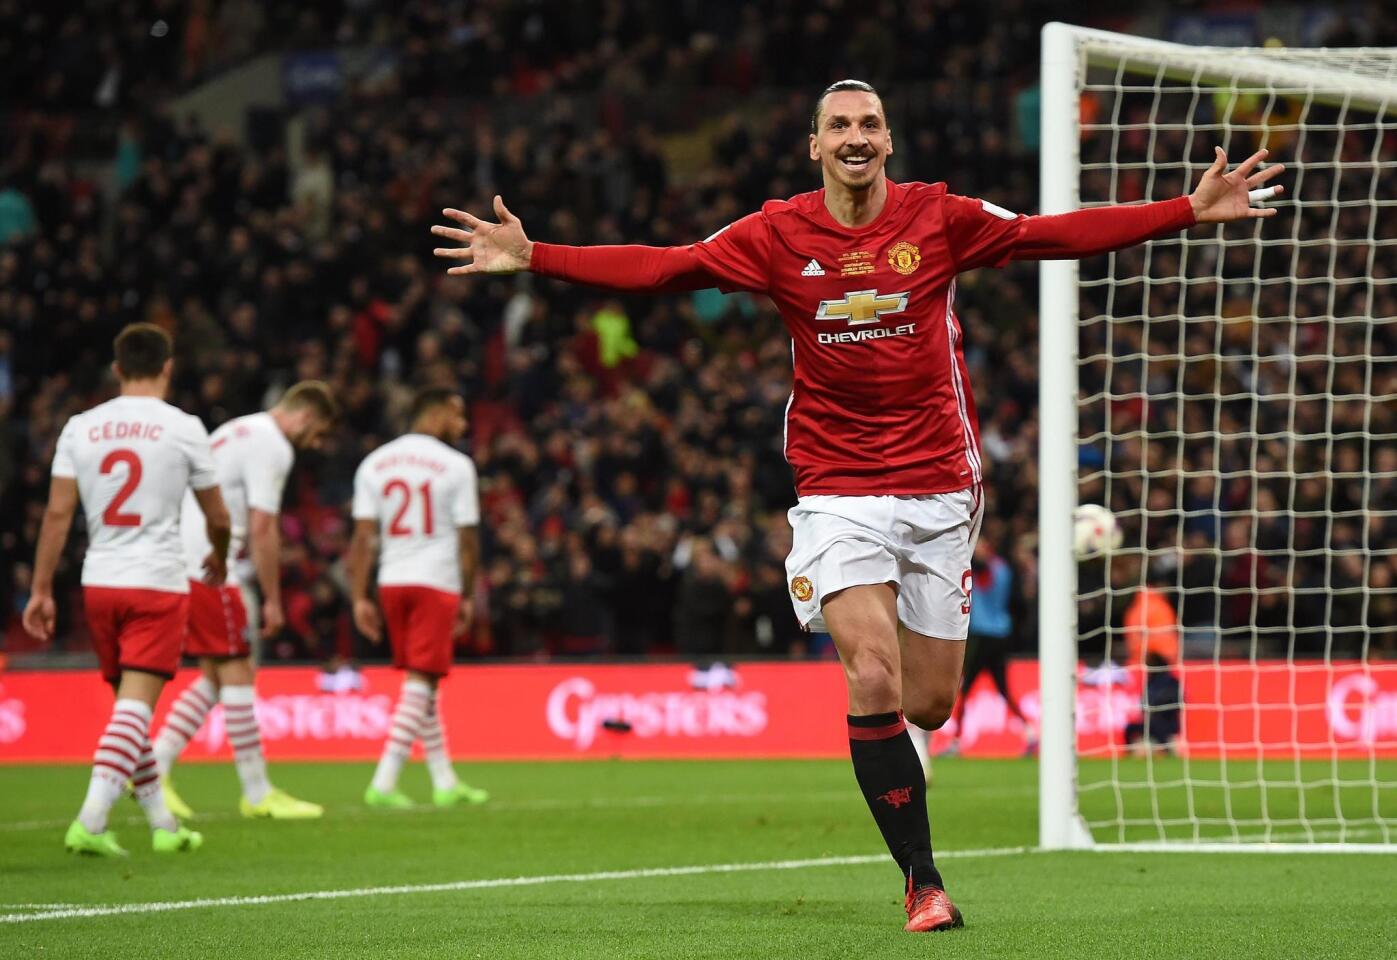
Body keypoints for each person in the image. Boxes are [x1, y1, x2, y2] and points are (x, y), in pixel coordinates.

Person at [430, 79, 1284, 932]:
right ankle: (922, 881)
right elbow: (668, 265)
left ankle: (907, 765)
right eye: (838, 124)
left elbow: (1046, 236)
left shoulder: (937, 217)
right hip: (834, 487)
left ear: (887, 140)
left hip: (942, 486)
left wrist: (1183, 210)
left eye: (869, 122)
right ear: (814, 146)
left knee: (929, 704)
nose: (854, 135)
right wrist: (536, 253)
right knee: (869, 674)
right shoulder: (775, 232)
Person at [23, 323, 230, 856]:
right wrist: (221, 555)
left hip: (100, 583)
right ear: (167, 367)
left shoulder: (79, 428)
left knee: (127, 710)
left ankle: (163, 823)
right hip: (157, 583)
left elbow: (58, 514)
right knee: (134, 711)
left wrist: (41, 588)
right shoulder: (183, 427)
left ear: (116, 369)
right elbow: (219, 516)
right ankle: (91, 821)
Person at [151, 381, 338, 819]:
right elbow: (262, 526)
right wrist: (273, 598)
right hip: (210, 564)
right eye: (320, 433)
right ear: (306, 416)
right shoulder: (273, 445)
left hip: (184, 555)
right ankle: (257, 793)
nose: (318, 444)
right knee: (237, 670)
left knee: (219, 675)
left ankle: (155, 767)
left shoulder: (238, 429)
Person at [348, 387, 489, 808]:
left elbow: (362, 538)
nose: (463, 427)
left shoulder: (374, 463)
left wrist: (359, 596)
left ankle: (445, 781)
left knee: (422, 680)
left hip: (392, 580)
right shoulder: (457, 466)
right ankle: (384, 781)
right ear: (439, 412)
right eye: (459, 416)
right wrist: (466, 594)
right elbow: (467, 540)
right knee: (422, 679)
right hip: (436, 580)